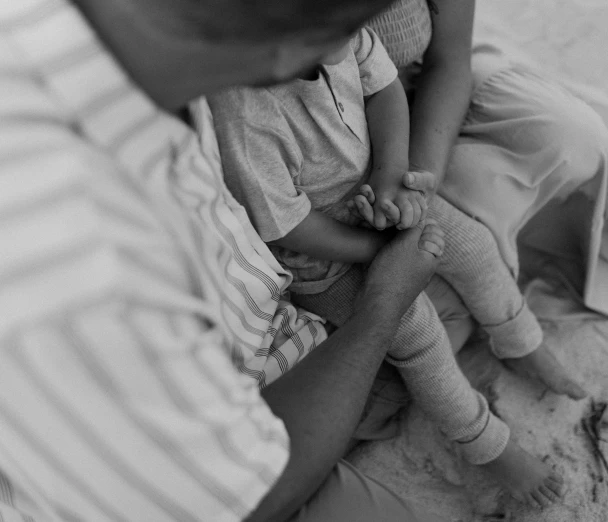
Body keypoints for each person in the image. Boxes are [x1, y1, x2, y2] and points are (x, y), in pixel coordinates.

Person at [0, 0, 461, 520]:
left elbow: (405, 78)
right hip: (199, 457)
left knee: (437, 335)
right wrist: (383, 303)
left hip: (266, 312)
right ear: (296, 60)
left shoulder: (144, 43)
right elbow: (251, 495)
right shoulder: (86, 265)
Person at [207, 25, 579, 506]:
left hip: (378, 191)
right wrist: (375, 251)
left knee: (474, 246)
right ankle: (485, 445)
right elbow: (287, 225)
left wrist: (391, 177)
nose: (354, 36)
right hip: (323, 257)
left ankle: (518, 338)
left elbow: (383, 91)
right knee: (416, 331)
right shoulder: (243, 113)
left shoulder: (341, 29)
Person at [368, 0, 608, 325]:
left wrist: (424, 174)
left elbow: (449, 60)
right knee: (474, 200)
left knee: (574, 140)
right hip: (350, 129)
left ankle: (545, 259)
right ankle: (502, 284)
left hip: (428, 79)